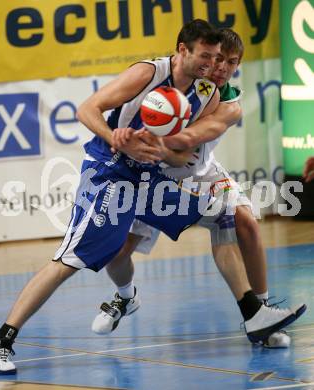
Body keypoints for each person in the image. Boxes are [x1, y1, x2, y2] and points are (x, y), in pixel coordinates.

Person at [0, 21, 304, 376]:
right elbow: (88, 109)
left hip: (154, 178)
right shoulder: (147, 73)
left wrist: (163, 148)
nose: (212, 65)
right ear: (183, 50)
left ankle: (254, 313)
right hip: (111, 172)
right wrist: (115, 137)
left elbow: (182, 157)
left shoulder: (207, 92)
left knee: (226, 213)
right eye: (205, 56)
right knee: (71, 259)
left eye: (219, 59)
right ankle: (0, 341)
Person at [91, 29, 305, 349]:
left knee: (244, 221)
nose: (222, 67)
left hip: (202, 173)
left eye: (231, 62)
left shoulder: (229, 103)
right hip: (154, 174)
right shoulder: (173, 83)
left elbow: (190, 139)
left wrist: (158, 135)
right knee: (118, 253)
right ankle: (125, 296)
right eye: (218, 59)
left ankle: (260, 314)